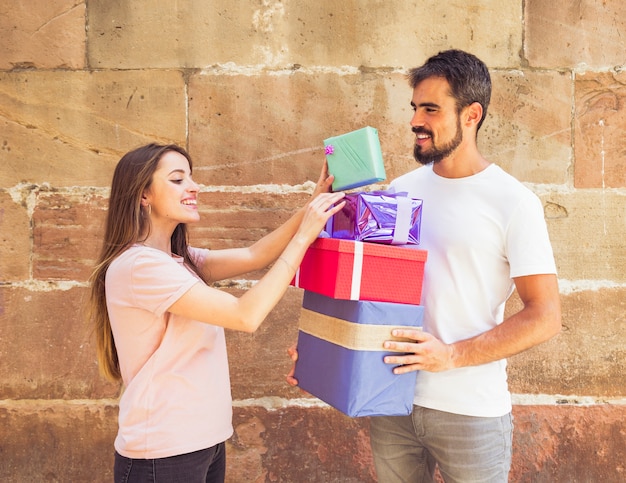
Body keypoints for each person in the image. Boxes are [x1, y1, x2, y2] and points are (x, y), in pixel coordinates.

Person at [287, 49, 561, 482]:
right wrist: (325, 349)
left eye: (431, 109)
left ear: (471, 115)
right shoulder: (401, 191)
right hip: (393, 398)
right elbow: (369, 290)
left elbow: (545, 317)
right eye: (415, 108)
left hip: (470, 411)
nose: (416, 120)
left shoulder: (515, 203)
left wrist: (450, 355)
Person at [88, 142, 345, 483]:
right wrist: (303, 239)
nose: (193, 187)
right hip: (164, 451)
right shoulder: (139, 266)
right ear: (143, 195)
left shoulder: (178, 259)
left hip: (203, 441)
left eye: (190, 178)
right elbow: (245, 315)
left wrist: (309, 208)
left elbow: (255, 254)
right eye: (178, 180)